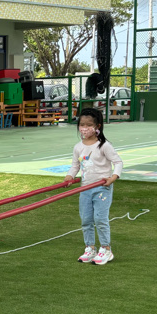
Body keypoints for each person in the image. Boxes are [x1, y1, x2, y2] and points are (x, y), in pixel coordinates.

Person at [65, 108, 123, 266]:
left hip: (102, 188)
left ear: (97, 126)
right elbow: (75, 165)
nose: (85, 128)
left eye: (89, 125)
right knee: (86, 219)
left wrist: (113, 178)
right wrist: (70, 176)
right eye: (82, 124)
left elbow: (118, 162)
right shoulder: (78, 147)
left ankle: (106, 248)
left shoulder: (104, 146)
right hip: (84, 189)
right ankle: (90, 248)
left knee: (100, 219)